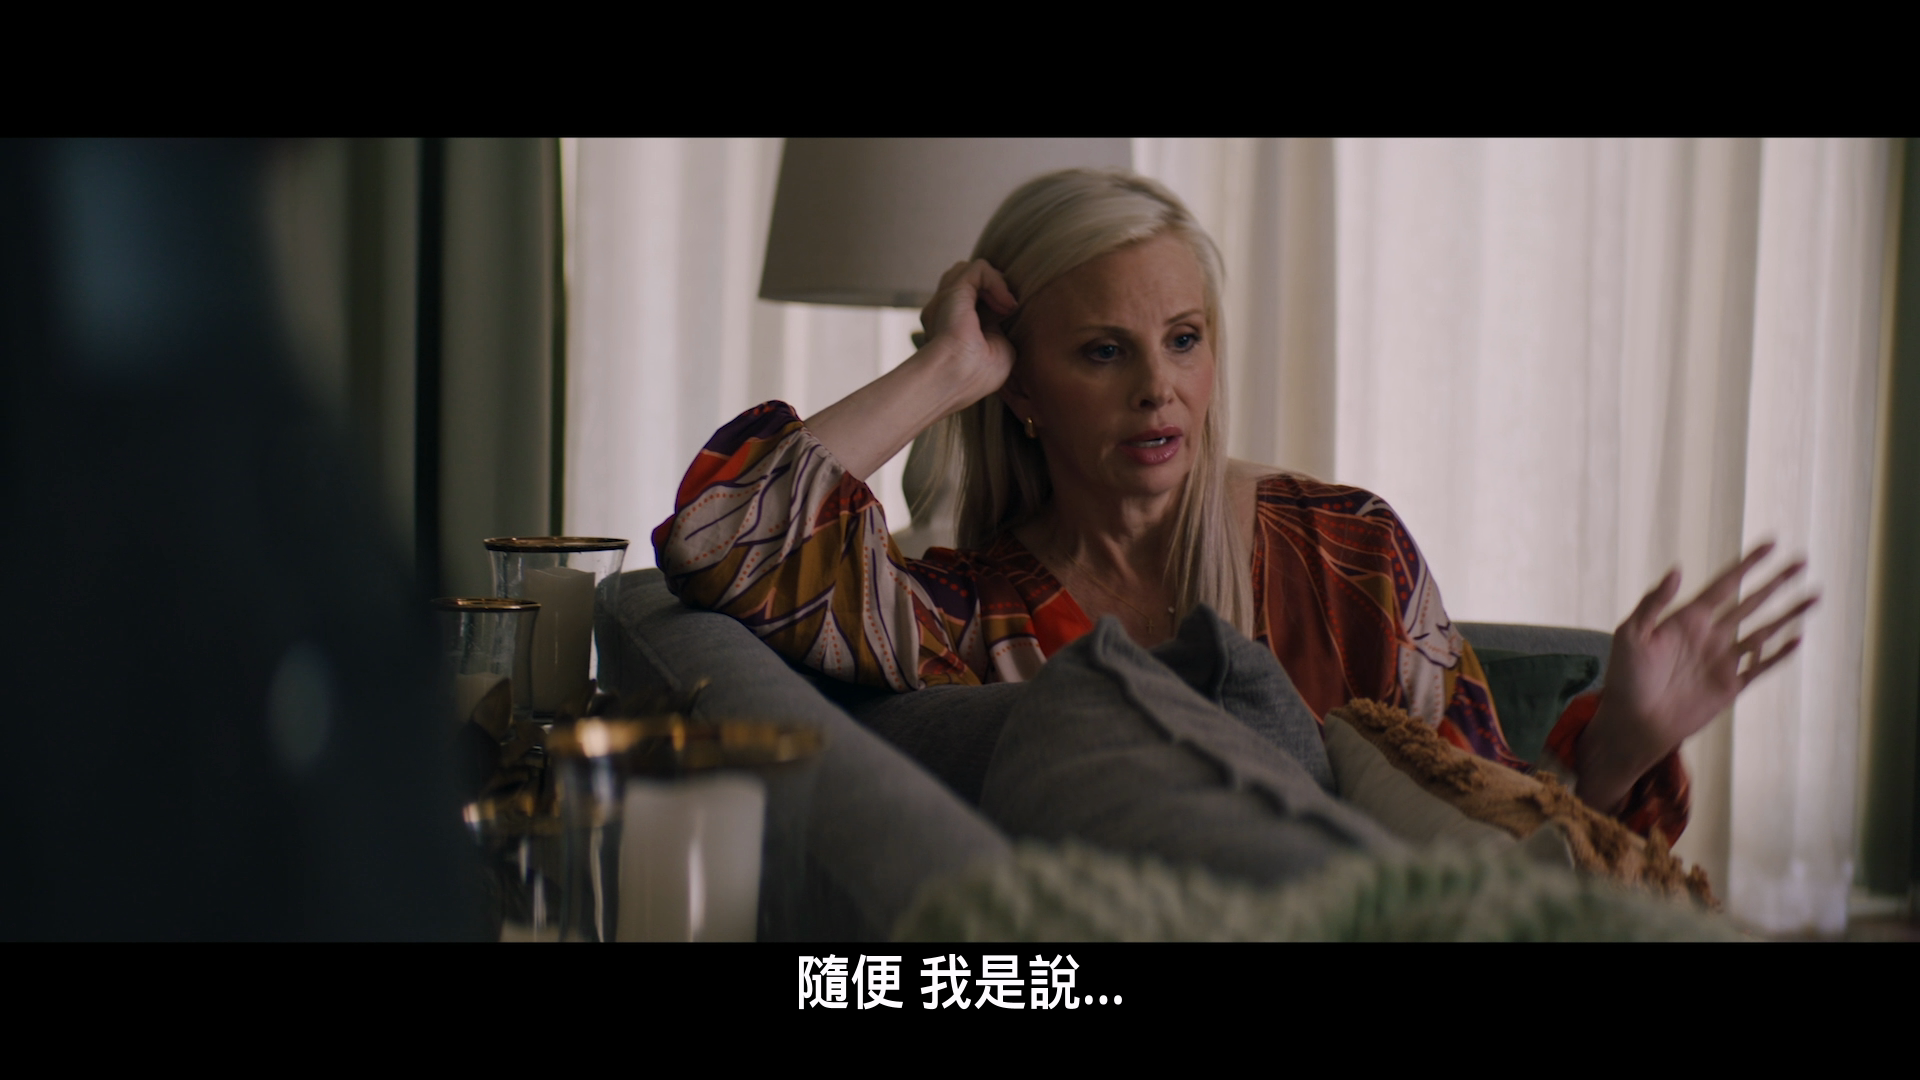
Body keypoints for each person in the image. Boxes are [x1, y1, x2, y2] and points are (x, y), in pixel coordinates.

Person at [654, 168, 1814, 841]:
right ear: (1023, 392)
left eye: (1183, 339)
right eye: (1102, 350)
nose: (1158, 388)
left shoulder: (1349, 552)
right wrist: (944, 368)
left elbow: (1492, 847)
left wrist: (1620, 750)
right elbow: (720, 537)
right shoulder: (963, 620)